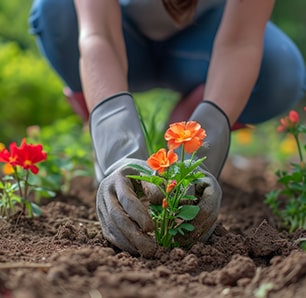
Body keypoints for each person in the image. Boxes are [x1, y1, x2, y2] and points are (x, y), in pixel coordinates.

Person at [29, 0, 306, 257]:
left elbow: (240, 43)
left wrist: (200, 150)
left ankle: (184, 123)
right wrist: (117, 151)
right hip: (124, 35)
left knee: (279, 71)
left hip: (200, 44)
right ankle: (97, 125)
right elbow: (98, 36)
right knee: (55, 10)